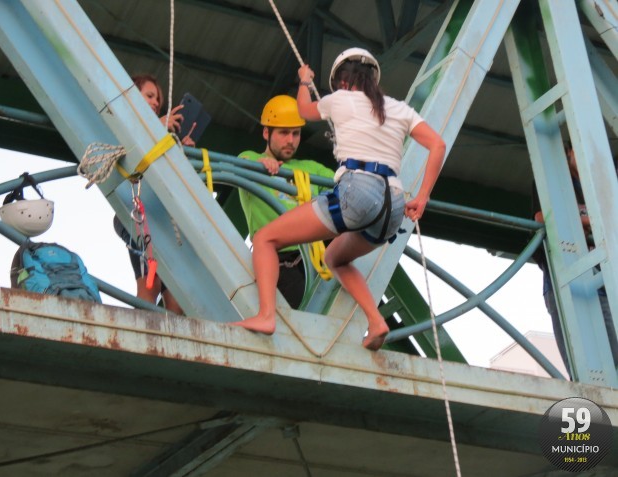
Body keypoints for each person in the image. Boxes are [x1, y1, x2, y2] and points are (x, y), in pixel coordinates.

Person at [233, 48, 446, 350]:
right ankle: (376, 322)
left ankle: (266, 315)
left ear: (342, 83)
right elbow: (438, 145)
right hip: (394, 204)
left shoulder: (340, 99)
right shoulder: (398, 108)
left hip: (357, 190)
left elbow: (304, 111)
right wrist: (422, 198)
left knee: (266, 238)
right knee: (334, 257)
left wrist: (305, 81)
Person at [238, 95, 335, 309]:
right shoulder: (251, 158)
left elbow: (344, 187)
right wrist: (261, 163)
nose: (291, 140)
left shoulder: (312, 168)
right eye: (283, 133)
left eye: (296, 133)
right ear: (266, 132)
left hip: (315, 261)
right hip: (279, 262)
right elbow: (242, 164)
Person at [532, 142, 618, 375]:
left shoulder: (601, 185)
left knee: (611, 355)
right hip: (564, 276)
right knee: (580, 363)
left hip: (600, 276)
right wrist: (593, 220)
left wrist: (579, 218)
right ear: (568, 151)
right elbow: (543, 217)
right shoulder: (552, 180)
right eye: (580, 151)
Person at [113, 74, 194, 314]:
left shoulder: (163, 137)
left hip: (162, 216)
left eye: (158, 99)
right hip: (136, 212)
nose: (155, 102)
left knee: (177, 296)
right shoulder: (123, 123)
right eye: (149, 96)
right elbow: (127, 153)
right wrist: (157, 127)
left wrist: (182, 150)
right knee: (150, 286)